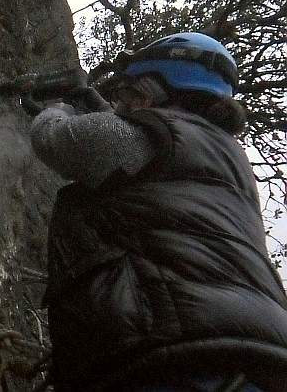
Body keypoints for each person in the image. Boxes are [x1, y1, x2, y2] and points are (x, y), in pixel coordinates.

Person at [28, 32, 287, 391]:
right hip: (259, 357)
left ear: (153, 90)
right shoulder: (231, 162)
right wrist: (97, 105)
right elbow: (143, 159)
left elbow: (56, 141)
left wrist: (56, 108)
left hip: (176, 358)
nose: (123, 106)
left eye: (129, 94)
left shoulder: (151, 136)